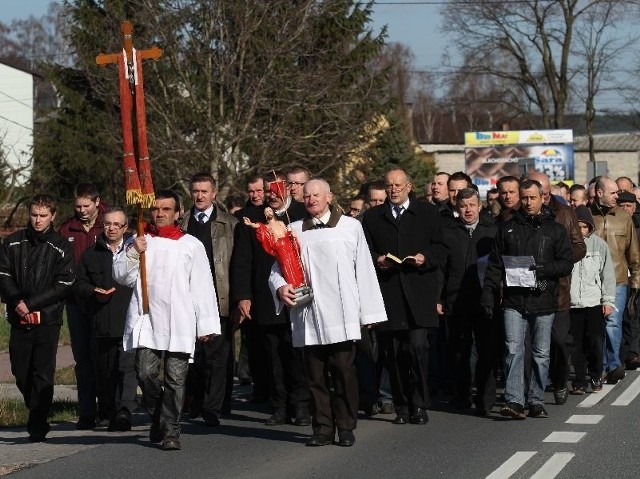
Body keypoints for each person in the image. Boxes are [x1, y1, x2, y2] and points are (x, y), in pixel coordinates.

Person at [270, 179, 387, 447]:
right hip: (308, 314)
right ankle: (322, 427)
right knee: (315, 376)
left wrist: (369, 314)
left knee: (344, 372)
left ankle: (346, 426)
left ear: (329, 197)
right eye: (307, 196)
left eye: (316, 195)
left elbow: (365, 270)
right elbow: (277, 269)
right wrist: (281, 288)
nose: (311, 199)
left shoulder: (350, 226)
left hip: (342, 314)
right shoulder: (293, 230)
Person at [113, 189, 221, 451]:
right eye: (156, 209)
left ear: (178, 213)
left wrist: (206, 325)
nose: (159, 214)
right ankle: (158, 416)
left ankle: (171, 429)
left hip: (179, 320)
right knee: (145, 373)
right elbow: (120, 276)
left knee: (175, 378)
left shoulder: (190, 245)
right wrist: (131, 253)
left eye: (166, 209)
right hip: (146, 318)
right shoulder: (139, 240)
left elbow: (203, 287)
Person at [482, 179, 573, 419]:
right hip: (514, 300)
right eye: (524, 198)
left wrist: (544, 269)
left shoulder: (555, 229)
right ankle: (515, 401)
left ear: (543, 197)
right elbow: (495, 264)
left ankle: (536, 399)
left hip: (543, 299)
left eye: (533, 197)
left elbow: (566, 263)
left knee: (541, 353)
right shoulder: (508, 228)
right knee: (513, 350)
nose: (528, 202)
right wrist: (489, 295)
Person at [362, 167, 447, 425]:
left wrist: (426, 258)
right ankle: (401, 406)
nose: (394, 189)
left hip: (419, 292)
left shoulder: (428, 213)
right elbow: (365, 249)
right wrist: (377, 259)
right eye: (389, 185)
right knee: (393, 353)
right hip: (389, 293)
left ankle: (419, 404)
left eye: (398, 185)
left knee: (418, 348)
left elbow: (441, 248)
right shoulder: (373, 217)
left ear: (409, 187)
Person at [230, 170, 311, 426]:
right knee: (273, 355)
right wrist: (243, 295)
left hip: (300, 294)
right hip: (266, 296)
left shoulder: (300, 214)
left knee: (298, 354)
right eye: (267, 192)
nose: (270, 196)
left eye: (275, 190)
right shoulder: (251, 219)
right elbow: (242, 261)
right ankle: (279, 406)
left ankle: (302, 405)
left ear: (285, 188)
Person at [0, 194, 75, 442]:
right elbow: (3, 274)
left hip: (47, 319)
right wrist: (17, 303)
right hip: (18, 317)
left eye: (43, 216)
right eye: (34, 215)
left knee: (43, 373)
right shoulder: (12, 243)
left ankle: (38, 421)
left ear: (53, 216)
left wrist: (31, 304)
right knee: (21, 371)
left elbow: (63, 284)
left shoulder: (61, 246)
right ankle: (36, 408)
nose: (38, 220)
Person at [180, 172, 238, 427]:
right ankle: (193, 402)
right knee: (192, 354)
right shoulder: (181, 224)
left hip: (219, 297)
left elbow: (237, 264)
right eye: (196, 191)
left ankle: (213, 407)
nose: (200, 196)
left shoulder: (230, 224)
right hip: (187, 298)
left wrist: (239, 299)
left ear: (214, 193)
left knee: (217, 355)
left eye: (205, 191)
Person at [73, 207, 136, 432]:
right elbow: (78, 284)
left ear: (125, 228)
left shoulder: (134, 252)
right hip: (101, 323)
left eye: (117, 225)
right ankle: (107, 412)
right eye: (108, 224)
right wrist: (93, 291)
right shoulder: (91, 255)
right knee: (105, 371)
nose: (111, 228)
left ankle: (124, 413)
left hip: (129, 322)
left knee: (127, 369)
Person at [526, 170, 585, 405]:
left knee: (558, 340)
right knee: (529, 345)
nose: (542, 197)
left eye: (546, 193)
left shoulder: (565, 213)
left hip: (557, 289)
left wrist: (557, 261)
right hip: (526, 290)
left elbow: (579, 246)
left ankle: (560, 381)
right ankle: (530, 391)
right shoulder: (517, 216)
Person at [439, 188, 498, 416]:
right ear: (457, 208)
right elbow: (441, 270)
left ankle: (486, 399)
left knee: (487, 351)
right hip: (456, 301)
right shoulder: (448, 233)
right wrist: (439, 298)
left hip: (485, 301)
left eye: (472, 205)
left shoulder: (491, 232)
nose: (468, 210)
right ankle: (462, 396)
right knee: (459, 352)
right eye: (463, 206)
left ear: (480, 206)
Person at [59, 182, 108, 430]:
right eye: (77, 206)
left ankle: (109, 406)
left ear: (97, 202)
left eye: (86, 205)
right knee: (83, 358)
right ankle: (87, 410)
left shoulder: (110, 223)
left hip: (106, 302)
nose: (82, 210)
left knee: (105, 356)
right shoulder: (67, 228)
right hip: (76, 302)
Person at [590, 176, 640, 381]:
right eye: (613, 193)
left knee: (613, 322)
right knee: (596, 324)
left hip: (619, 279)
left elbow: (633, 254)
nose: (617, 197)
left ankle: (612, 365)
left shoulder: (624, 218)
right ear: (599, 193)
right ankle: (598, 365)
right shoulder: (587, 216)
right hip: (592, 281)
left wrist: (635, 282)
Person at [569, 206, 615, 394]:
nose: (581, 231)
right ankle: (579, 380)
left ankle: (596, 374)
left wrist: (608, 301)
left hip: (594, 301)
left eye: (584, 227)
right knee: (576, 343)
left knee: (596, 340)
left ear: (590, 228)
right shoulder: (567, 244)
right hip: (572, 303)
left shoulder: (599, 245)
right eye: (577, 227)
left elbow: (607, 275)